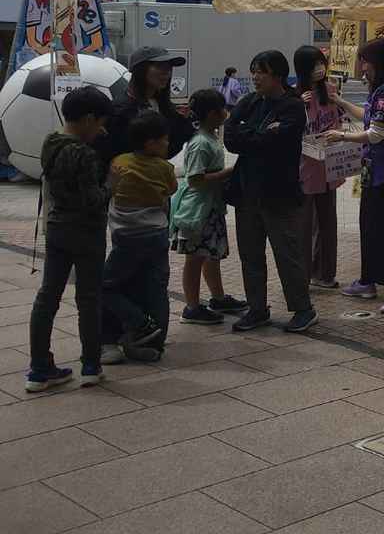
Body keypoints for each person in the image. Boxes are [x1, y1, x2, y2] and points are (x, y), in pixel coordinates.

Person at [26, 87, 115, 391]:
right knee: (89, 298)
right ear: (88, 119)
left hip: (56, 228)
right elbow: (93, 199)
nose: (102, 130)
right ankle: (91, 365)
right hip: (87, 233)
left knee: (47, 296)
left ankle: (38, 369)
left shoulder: (50, 143)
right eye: (100, 123)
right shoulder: (84, 154)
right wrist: (110, 185)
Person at [225, 50, 317, 333]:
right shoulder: (250, 102)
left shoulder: (291, 106)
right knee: (250, 255)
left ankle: (303, 309)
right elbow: (230, 136)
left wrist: (250, 135)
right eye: (253, 71)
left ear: (277, 74)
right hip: (247, 192)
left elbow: (277, 142)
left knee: (286, 254)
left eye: (261, 72)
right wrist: (260, 135)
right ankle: (257, 308)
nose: (255, 77)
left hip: (278, 193)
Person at [326, 38, 384, 315]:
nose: (362, 67)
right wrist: (339, 101)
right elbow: (369, 116)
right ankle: (368, 281)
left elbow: (376, 133)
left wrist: (341, 136)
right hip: (375, 172)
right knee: (370, 226)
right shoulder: (382, 92)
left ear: (378, 63)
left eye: (365, 61)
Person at [102, 112, 178, 362]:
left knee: (105, 286)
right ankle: (155, 345)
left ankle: (139, 321)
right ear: (150, 143)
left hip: (127, 238)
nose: (168, 145)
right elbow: (172, 189)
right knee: (157, 288)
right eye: (165, 141)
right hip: (157, 235)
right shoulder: (165, 168)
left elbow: (110, 188)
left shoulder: (118, 162)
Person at [170, 89, 244, 325]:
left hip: (210, 209)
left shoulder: (210, 136)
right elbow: (195, 179)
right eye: (223, 108)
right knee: (195, 259)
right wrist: (229, 172)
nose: (226, 112)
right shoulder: (201, 142)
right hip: (198, 212)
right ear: (213, 113)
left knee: (210, 255)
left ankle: (218, 297)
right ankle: (191, 307)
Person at [295, 46, 345, 288]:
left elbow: (339, 121)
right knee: (304, 226)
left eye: (321, 63)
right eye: (313, 65)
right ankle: (302, 275)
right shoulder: (295, 96)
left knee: (327, 222)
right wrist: (297, 105)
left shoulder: (331, 90)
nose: (319, 69)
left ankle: (325, 273)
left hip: (330, 164)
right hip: (305, 168)